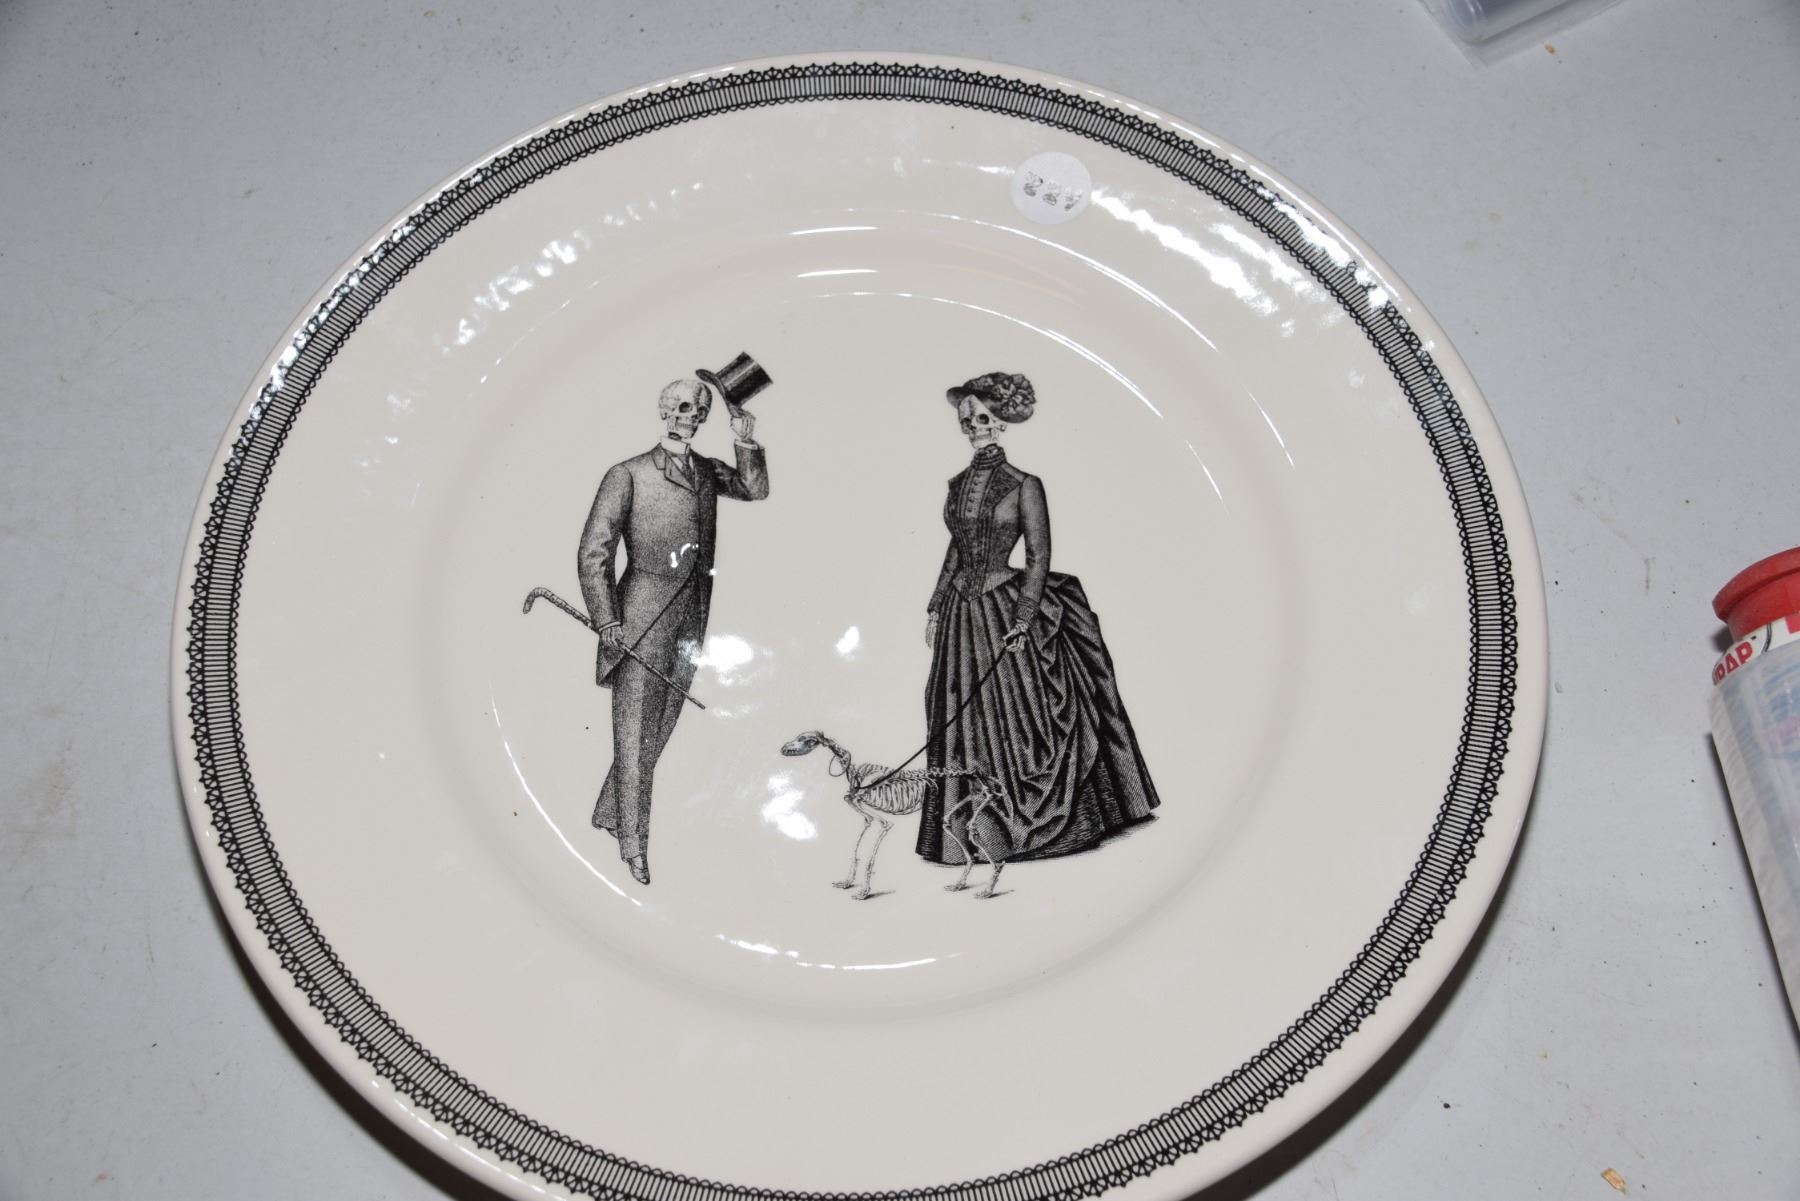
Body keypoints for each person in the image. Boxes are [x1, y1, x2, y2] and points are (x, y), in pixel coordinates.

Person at [917, 372, 1159, 870]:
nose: (973, 427)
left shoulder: (1025, 484)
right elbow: (955, 550)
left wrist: (1025, 616)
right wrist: (936, 605)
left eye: (982, 418)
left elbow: (1039, 555)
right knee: (962, 714)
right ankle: (974, 836)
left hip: (1007, 606)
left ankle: (1048, 826)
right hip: (963, 615)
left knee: (1029, 715)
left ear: (1001, 422)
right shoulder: (957, 484)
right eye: (966, 420)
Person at [577, 377, 768, 885]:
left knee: (656, 732)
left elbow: (754, 489)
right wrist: (607, 619)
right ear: (665, 411)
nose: (693, 417)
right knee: (634, 740)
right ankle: (633, 847)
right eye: (684, 408)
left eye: (701, 410)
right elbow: (595, 552)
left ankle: (611, 813)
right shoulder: (627, 474)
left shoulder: (705, 470)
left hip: (691, 619)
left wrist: (746, 440)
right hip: (638, 621)